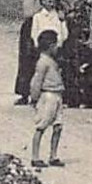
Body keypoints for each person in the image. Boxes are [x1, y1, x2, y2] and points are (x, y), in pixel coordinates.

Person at [7, 0, 53, 104]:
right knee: (26, 58)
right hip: (29, 25)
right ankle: (24, 92)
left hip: (43, 24)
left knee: (42, 58)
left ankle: (40, 92)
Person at [28, 30, 66, 168]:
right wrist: (34, 98)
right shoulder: (43, 62)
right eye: (55, 45)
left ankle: (53, 155)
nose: (57, 48)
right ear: (50, 46)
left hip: (57, 95)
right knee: (41, 126)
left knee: (58, 126)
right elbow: (36, 81)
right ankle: (35, 156)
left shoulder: (51, 61)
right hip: (47, 95)